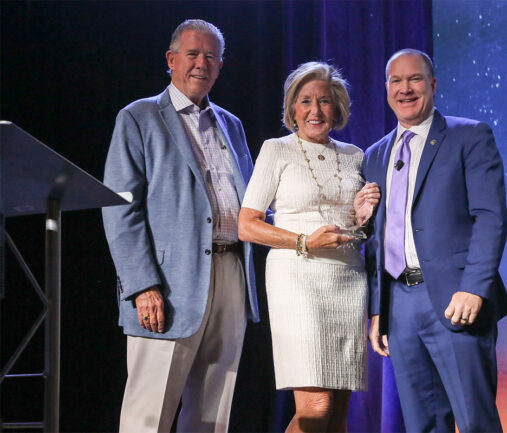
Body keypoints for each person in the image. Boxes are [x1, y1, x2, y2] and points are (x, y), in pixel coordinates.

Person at [102, 19, 259, 433]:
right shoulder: (138, 117)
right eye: (192, 54)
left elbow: (253, 205)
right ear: (171, 60)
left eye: (210, 56)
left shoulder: (232, 125)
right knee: (147, 416)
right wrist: (141, 285)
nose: (201, 64)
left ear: (220, 66)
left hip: (230, 276)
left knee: (212, 414)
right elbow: (120, 209)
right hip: (166, 285)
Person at [362, 49, 507, 433]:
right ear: (386, 89)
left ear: (432, 84)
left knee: (474, 420)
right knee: (423, 424)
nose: (405, 89)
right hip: (400, 307)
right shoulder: (375, 155)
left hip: (455, 299)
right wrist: (379, 308)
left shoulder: (469, 135)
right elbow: (378, 238)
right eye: (396, 81)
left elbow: (490, 218)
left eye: (414, 79)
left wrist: (473, 288)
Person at [238, 62, 379, 433]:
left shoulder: (355, 155)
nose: (315, 111)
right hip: (297, 281)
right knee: (316, 407)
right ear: (292, 109)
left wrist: (363, 216)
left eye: (325, 101)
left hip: (348, 281)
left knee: (337, 412)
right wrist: (303, 241)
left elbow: (353, 228)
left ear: (338, 108)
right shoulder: (277, 150)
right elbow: (247, 225)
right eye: (305, 101)